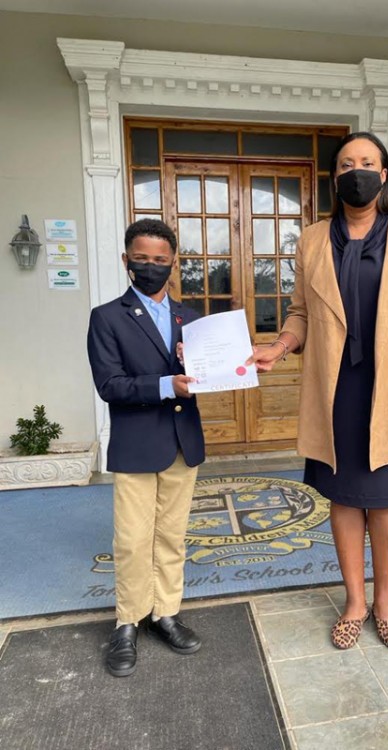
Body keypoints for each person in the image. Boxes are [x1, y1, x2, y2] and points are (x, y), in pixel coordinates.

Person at [247, 132, 388, 650]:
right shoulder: (313, 239)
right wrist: (280, 346)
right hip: (336, 389)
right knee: (343, 497)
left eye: (366, 162)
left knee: (387, 501)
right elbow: (300, 312)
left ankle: (385, 601)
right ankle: (355, 601)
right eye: (344, 164)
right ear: (334, 177)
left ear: (383, 175)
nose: (355, 171)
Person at [87, 218, 205, 677]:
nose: (151, 266)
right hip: (137, 444)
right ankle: (127, 622)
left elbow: (205, 376)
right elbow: (110, 385)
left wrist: (216, 369)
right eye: (141, 258)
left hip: (182, 442)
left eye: (160, 259)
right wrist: (167, 383)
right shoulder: (107, 317)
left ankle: (165, 613)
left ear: (173, 264)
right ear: (126, 261)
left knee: (171, 536)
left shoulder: (190, 319)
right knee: (133, 540)